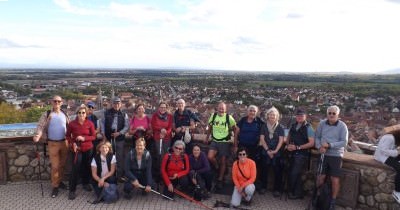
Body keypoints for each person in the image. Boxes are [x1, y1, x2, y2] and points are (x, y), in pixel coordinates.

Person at [33, 95, 69, 198]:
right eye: (55, 101)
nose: (57, 103)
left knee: (62, 165)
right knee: (55, 166)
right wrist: (37, 136)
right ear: (51, 102)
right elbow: (40, 126)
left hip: (64, 143)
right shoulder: (47, 114)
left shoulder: (64, 114)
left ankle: (59, 181)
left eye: (59, 101)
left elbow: (69, 127)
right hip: (52, 143)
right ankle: (55, 186)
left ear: (61, 103)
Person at [315, 105, 348, 210]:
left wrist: (330, 145)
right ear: (327, 114)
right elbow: (317, 137)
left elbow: (344, 142)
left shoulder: (342, 126)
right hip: (323, 154)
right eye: (329, 113)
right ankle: (318, 198)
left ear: (338, 114)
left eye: (334, 113)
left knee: (334, 179)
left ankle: (332, 201)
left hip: (336, 155)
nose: (331, 115)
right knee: (320, 177)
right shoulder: (322, 124)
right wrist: (319, 146)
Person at [66, 105, 96, 200]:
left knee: (87, 166)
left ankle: (85, 183)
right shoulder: (72, 124)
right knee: (75, 168)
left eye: (83, 113)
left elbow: (94, 136)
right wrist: (72, 143)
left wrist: (84, 138)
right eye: (79, 113)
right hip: (77, 149)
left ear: (86, 113)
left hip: (88, 148)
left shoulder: (90, 123)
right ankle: (72, 190)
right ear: (77, 114)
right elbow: (67, 136)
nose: (81, 114)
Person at [206, 102, 237, 190]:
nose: (221, 110)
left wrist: (235, 144)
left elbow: (236, 130)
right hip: (214, 140)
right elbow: (210, 127)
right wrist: (207, 138)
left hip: (225, 142)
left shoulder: (229, 118)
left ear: (225, 109)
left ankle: (220, 179)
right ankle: (216, 166)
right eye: (220, 108)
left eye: (223, 108)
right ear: (217, 108)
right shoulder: (213, 116)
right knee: (210, 157)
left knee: (223, 161)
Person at [285, 108, 315, 200]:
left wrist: (298, 147)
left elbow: (312, 143)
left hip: (302, 154)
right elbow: (288, 138)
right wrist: (288, 145)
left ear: (305, 116)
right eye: (298, 115)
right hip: (292, 153)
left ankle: (296, 193)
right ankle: (294, 192)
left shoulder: (308, 127)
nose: (299, 117)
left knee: (296, 173)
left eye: (301, 115)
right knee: (292, 172)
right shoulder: (293, 125)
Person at [258, 107, 285, 196]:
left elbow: (281, 140)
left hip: (277, 152)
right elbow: (262, 138)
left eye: (274, 115)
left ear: (277, 116)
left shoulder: (280, 127)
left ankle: (276, 189)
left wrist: (275, 151)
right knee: (264, 170)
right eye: (270, 114)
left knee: (277, 171)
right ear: (268, 116)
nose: (272, 116)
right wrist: (267, 150)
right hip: (265, 151)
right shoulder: (264, 126)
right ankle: (263, 187)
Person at [102, 97, 129, 181]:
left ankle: (119, 176)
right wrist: (103, 135)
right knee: (109, 157)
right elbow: (102, 124)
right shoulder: (106, 113)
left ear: (120, 104)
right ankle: (110, 175)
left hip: (120, 138)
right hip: (109, 138)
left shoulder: (124, 114)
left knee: (120, 158)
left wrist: (119, 133)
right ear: (112, 104)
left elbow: (127, 126)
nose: (116, 105)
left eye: (118, 103)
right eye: (115, 103)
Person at [374, 130, 400, 203]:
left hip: (385, 156)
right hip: (382, 157)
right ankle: (397, 192)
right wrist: (397, 152)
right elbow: (383, 150)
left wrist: (396, 151)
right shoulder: (390, 138)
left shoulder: (391, 137)